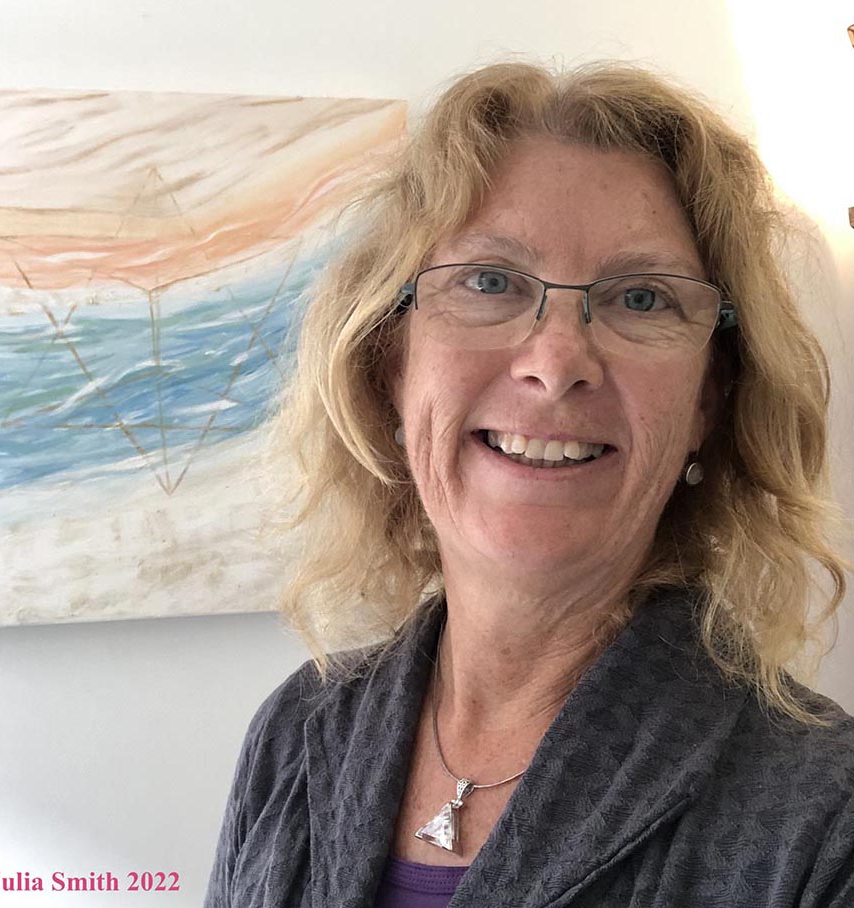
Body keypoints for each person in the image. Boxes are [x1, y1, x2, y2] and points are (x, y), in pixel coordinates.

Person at [204, 60, 854, 908]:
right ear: (390, 362)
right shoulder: (296, 731)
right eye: (489, 281)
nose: (556, 362)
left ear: (708, 399)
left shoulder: (826, 818)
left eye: (642, 299)